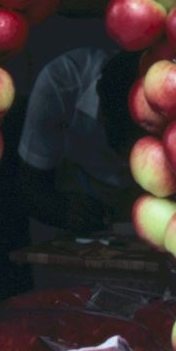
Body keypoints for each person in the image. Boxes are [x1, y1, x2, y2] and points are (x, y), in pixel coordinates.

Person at [18, 47, 144, 234]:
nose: (127, 156)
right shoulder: (60, 82)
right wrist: (61, 210)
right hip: (77, 199)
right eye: (120, 135)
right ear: (99, 99)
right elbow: (29, 187)